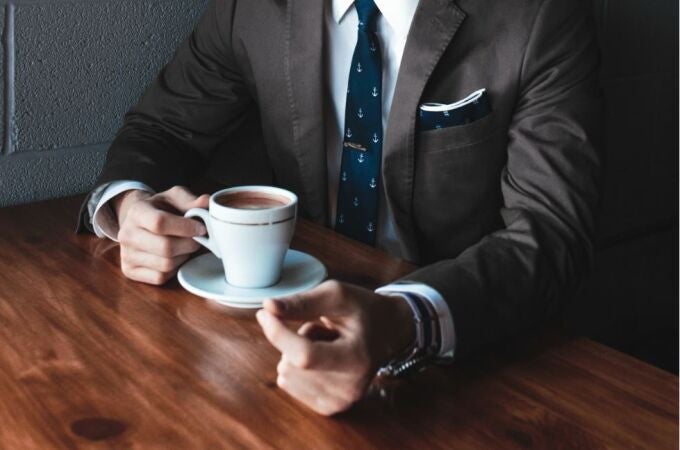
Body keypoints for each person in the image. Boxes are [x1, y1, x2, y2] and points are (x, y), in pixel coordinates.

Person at [77, 0, 602, 416]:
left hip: (468, 367)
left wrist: (406, 319)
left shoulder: (541, 14)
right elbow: (161, 127)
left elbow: (551, 232)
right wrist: (126, 205)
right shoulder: (251, 7)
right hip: (271, 342)